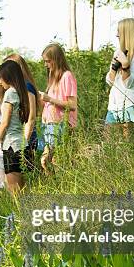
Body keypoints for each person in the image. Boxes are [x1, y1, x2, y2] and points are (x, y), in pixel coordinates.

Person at [0, 60, 30, 194]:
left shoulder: (10, 93)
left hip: (11, 146)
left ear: (8, 76)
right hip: (21, 143)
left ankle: (18, 215)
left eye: (1, 78)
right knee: (22, 190)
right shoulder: (19, 92)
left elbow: (5, 122)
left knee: (14, 192)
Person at [105, 18, 134, 138]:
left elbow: (128, 83)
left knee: (128, 147)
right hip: (114, 106)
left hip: (131, 105)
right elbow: (109, 81)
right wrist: (114, 68)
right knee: (109, 144)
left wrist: (125, 66)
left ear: (127, 33)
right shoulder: (118, 53)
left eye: (119, 31)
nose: (117, 34)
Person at [39, 43, 78, 174]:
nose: (46, 64)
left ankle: (59, 185)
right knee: (47, 161)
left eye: (48, 61)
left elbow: (72, 105)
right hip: (49, 125)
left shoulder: (67, 76)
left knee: (53, 160)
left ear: (56, 60)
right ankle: (53, 186)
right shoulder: (52, 77)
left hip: (61, 124)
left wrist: (49, 99)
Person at [3, 54, 38, 171]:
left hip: (24, 139)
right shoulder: (16, 88)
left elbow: (31, 117)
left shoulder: (26, 86)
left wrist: (24, 144)